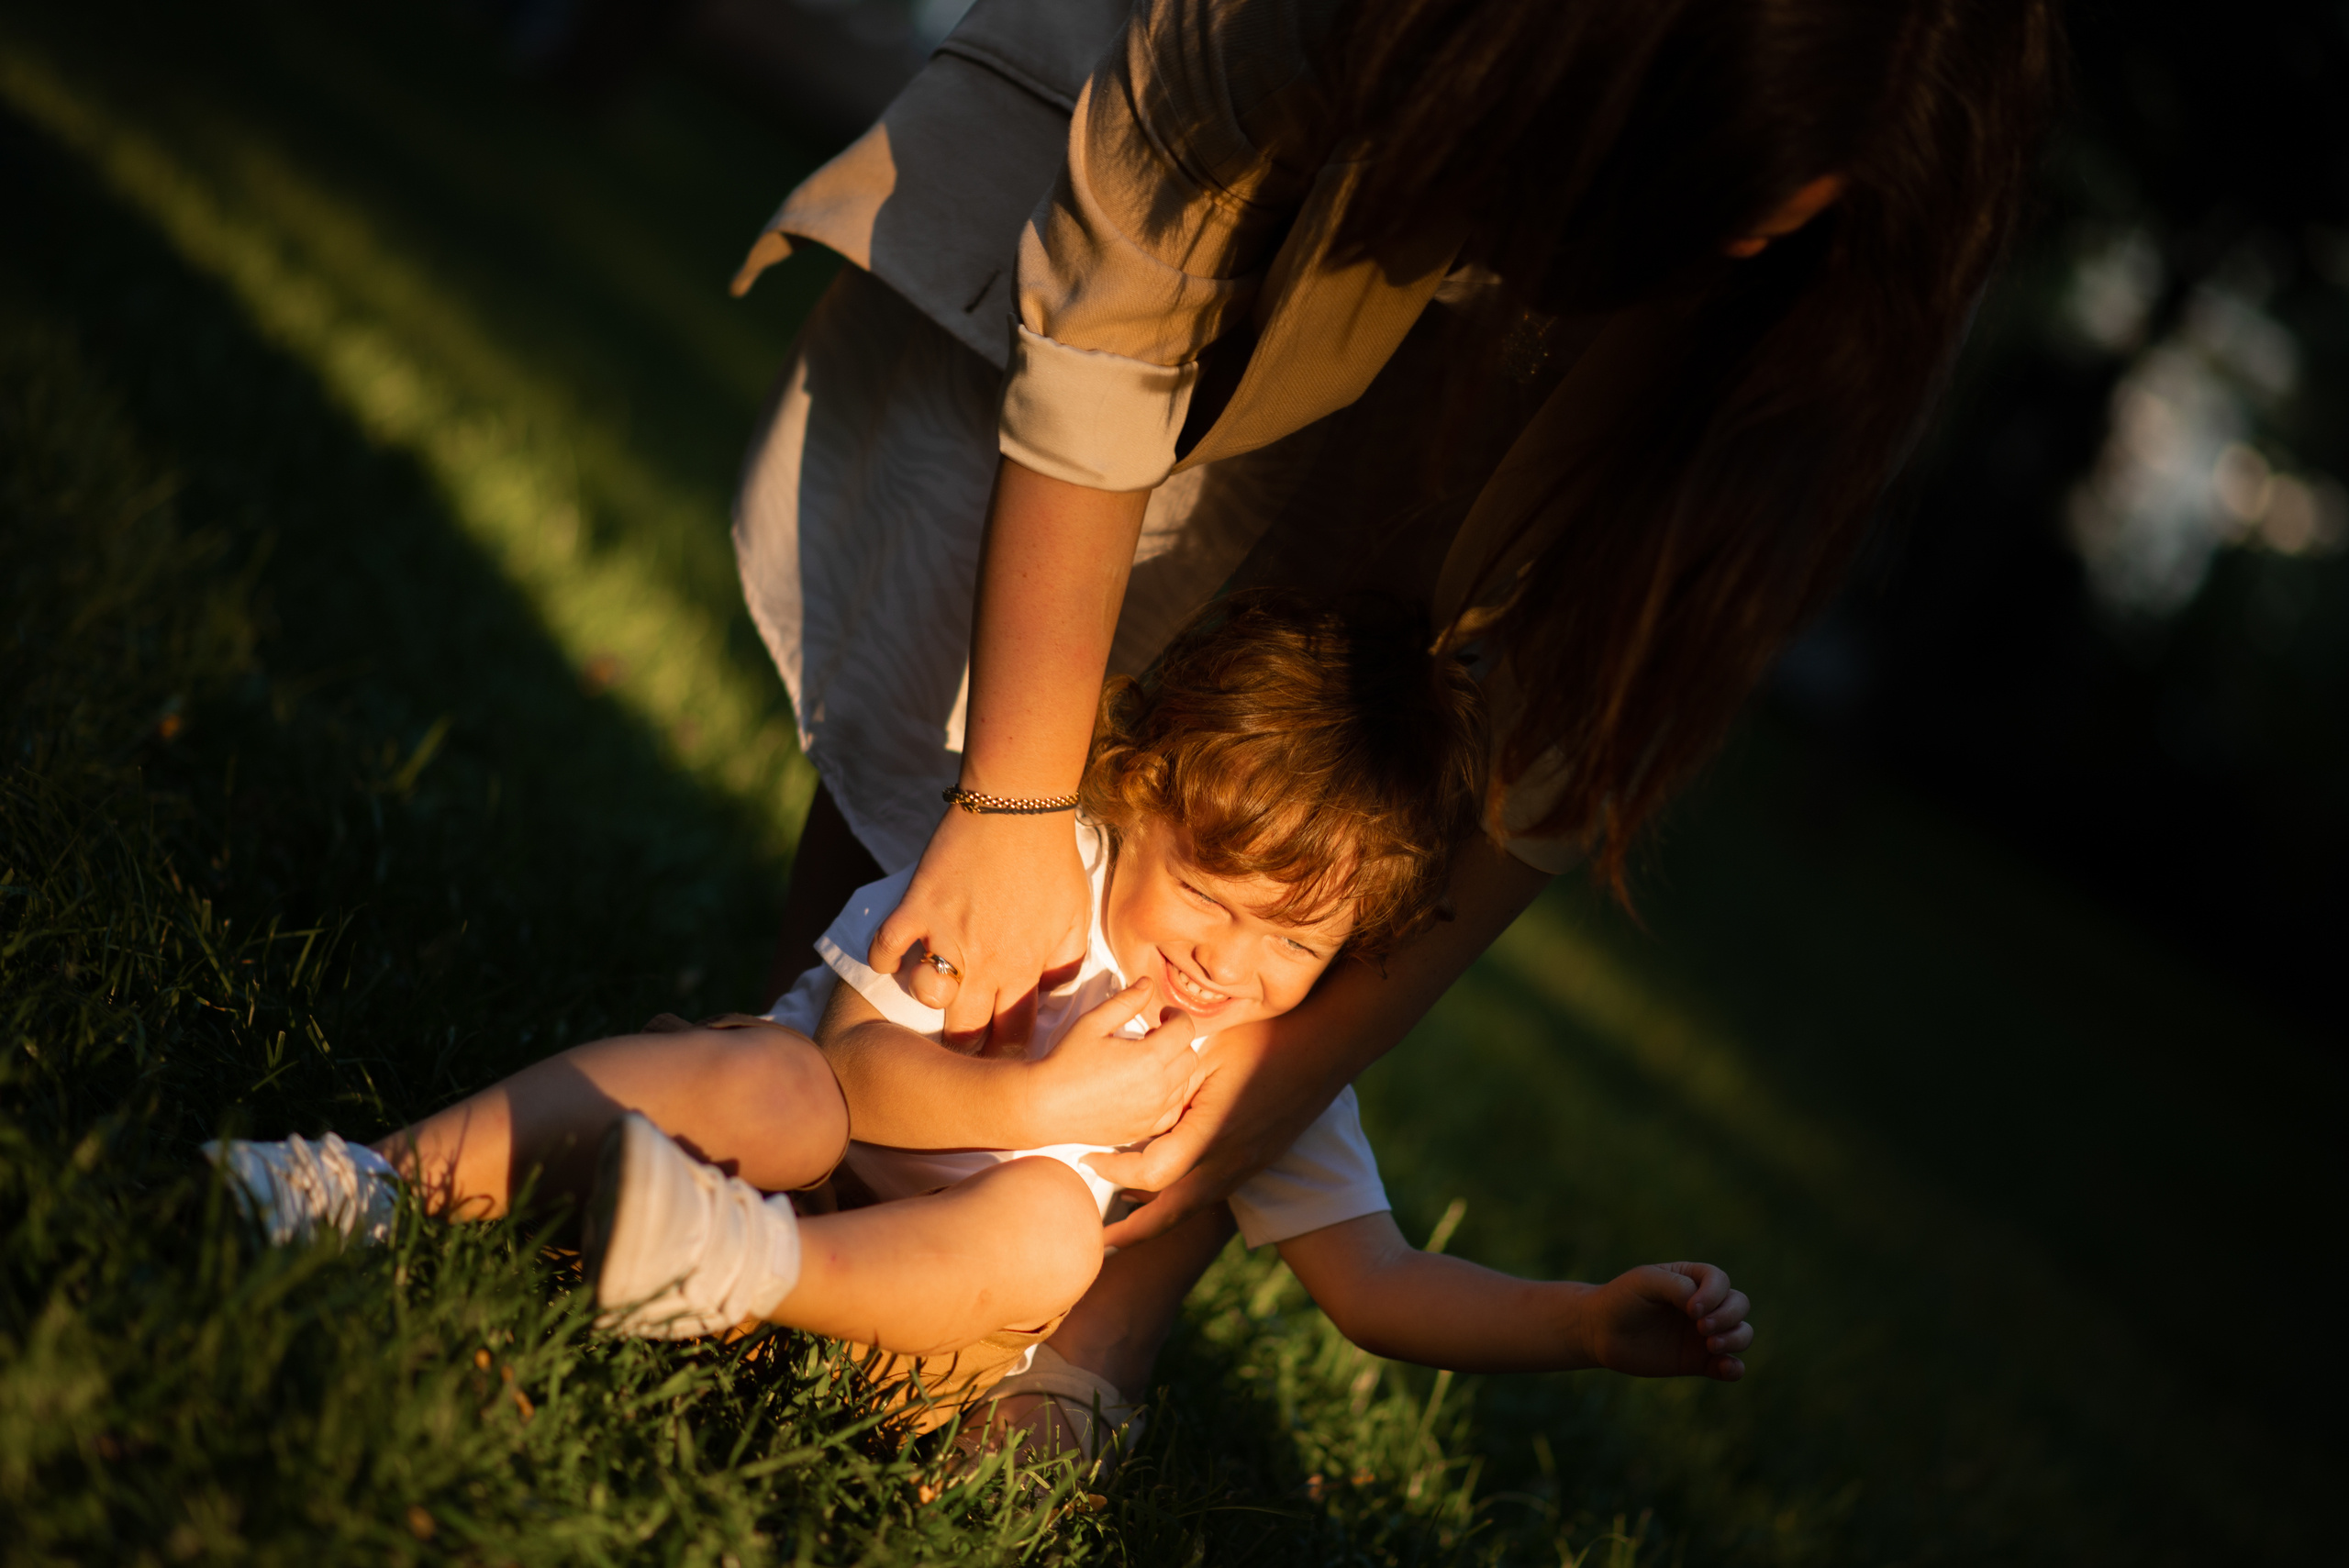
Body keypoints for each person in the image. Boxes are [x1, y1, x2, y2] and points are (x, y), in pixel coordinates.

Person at [728, 0, 2063, 1263]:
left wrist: (1293, 1072)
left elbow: (1583, 694)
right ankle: (815, 1094)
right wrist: (1013, 800)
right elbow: (1104, 325)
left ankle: (1085, 1300)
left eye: (1753, 241)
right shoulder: (1317, 40)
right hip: (1288, 138)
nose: (1719, 255)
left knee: (1350, 727)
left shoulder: (1815, 285)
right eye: (1695, 218)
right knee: (968, 678)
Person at [206, 595, 1755, 1459]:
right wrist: (1056, 1089)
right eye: (1209, 900)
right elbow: (866, 1074)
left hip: (894, 1308)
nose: (1228, 965)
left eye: (1295, 944)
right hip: (810, 1136)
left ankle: (730, 1266)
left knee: (1046, 1244)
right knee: (769, 1077)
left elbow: (1377, 1284)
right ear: (1133, 794)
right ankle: (380, 1180)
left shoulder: (1254, 1069)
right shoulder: (1041, 886)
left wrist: (1581, 1323)